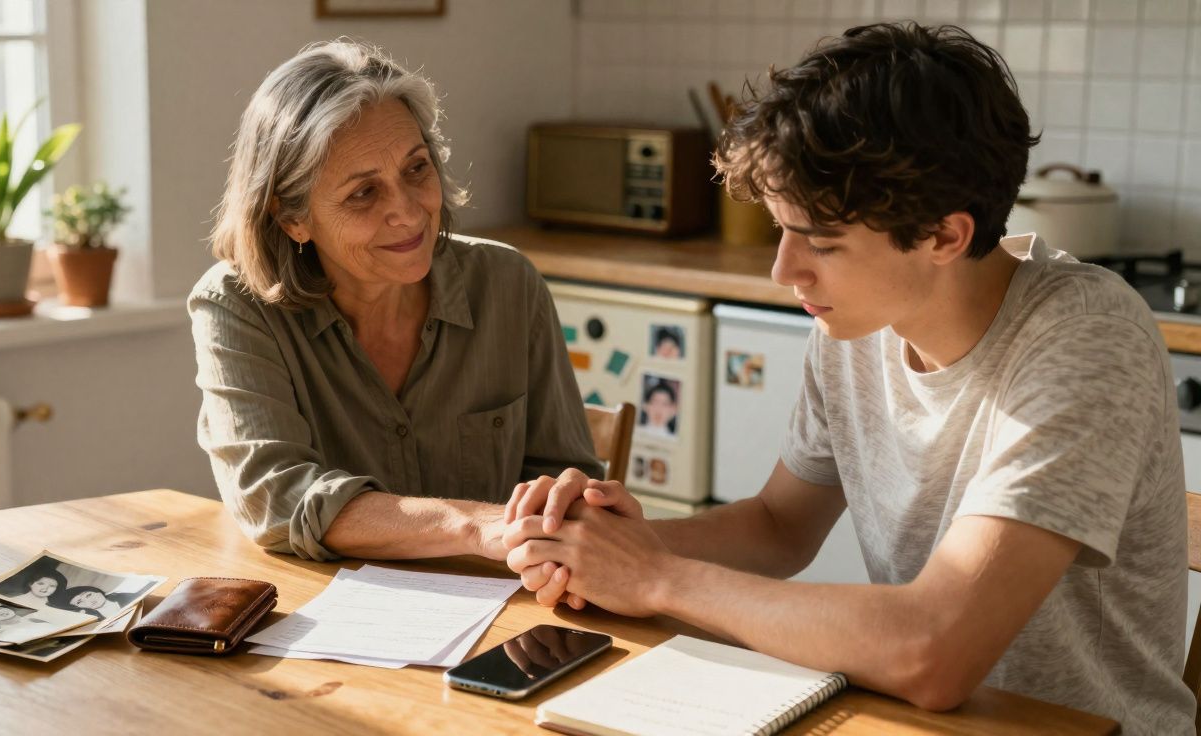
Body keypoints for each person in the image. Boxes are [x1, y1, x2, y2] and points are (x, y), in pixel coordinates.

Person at [501, 23, 1195, 734]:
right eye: (782, 229)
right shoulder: (860, 325)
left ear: (944, 236)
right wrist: (611, 546)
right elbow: (778, 527)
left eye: (822, 243)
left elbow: (934, 651)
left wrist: (656, 578)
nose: (784, 271)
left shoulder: (1087, 336)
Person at [191, 39, 601, 564]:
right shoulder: (237, 307)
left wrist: (564, 504)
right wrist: (471, 527)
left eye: (416, 169)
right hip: (323, 607)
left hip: (507, 601)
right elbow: (276, 496)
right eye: (363, 193)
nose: (408, 212)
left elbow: (569, 483)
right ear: (291, 218)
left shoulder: (508, 284)